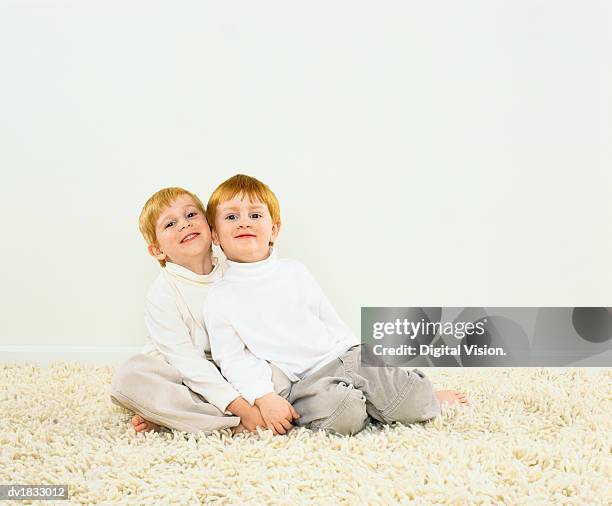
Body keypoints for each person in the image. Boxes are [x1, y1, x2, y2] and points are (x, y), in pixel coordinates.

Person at [204, 174, 469, 436]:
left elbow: (327, 317)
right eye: (231, 217)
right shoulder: (220, 296)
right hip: (302, 382)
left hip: (342, 356)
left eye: (255, 215)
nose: (243, 223)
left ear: (274, 229)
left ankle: (409, 395)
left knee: (410, 398)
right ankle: (366, 402)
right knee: (344, 416)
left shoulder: (295, 271)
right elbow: (233, 359)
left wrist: (354, 351)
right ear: (215, 235)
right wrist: (263, 396)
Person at [110, 187, 291, 435]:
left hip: (231, 369)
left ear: (210, 227)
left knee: (282, 373)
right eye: (170, 224)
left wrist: (259, 390)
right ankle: (233, 421)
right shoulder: (163, 293)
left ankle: (174, 418)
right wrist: (245, 410)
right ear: (157, 251)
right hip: (181, 372)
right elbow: (186, 362)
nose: (184, 225)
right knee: (130, 377)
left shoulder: (233, 273)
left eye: (191, 215)